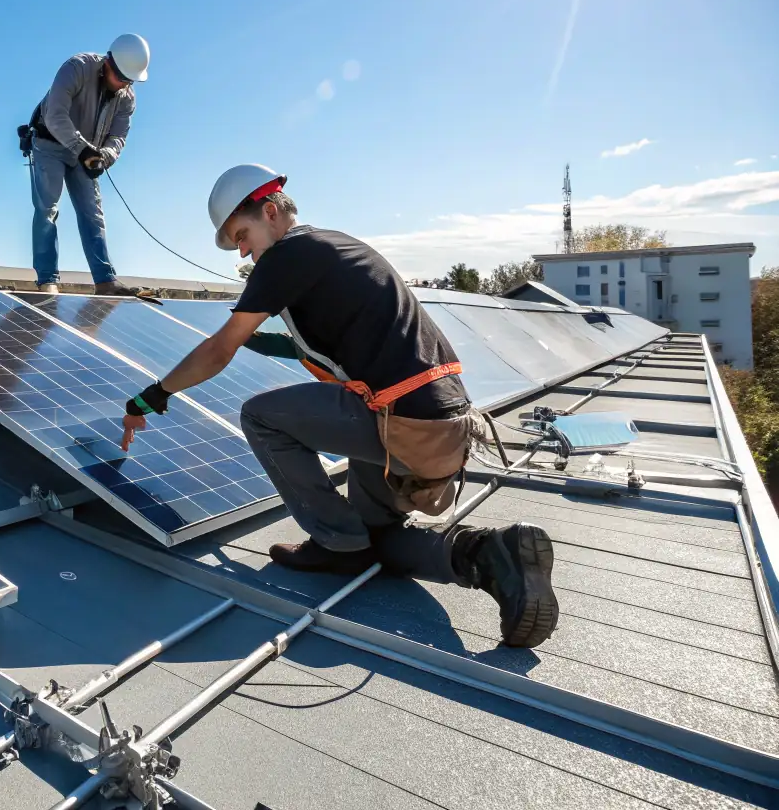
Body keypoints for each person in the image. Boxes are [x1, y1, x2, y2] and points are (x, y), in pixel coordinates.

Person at [118, 164, 559, 648]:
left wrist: (152, 395)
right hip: (442, 427)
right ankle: (493, 556)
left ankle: (333, 539)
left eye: (241, 235)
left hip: (400, 422)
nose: (241, 252)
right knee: (377, 542)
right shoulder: (336, 245)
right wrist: (266, 345)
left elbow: (220, 348)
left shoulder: (286, 256)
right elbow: (337, 343)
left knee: (260, 416)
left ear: (269, 211)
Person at [28, 33, 150, 296]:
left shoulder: (126, 97)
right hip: (50, 144)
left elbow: (118, 136)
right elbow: (55, 114)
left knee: (93, 214)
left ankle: (105, 280)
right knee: (47, 207)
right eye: (120, 78)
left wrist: (104, 156)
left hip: (86, 153)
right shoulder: (76, 68)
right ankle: (47, 280)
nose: (123, 85)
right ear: (108, 62)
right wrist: (82, 148)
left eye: (129, 81)